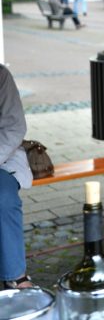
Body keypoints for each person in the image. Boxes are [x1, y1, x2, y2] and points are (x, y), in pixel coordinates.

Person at [0, 65, 35, 289]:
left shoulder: (1, 75)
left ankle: (15, 275)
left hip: (3, 157)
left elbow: (14, 127)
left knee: (3, 199)